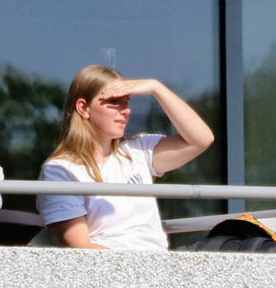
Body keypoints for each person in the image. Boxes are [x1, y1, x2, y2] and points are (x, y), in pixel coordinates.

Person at [39, 65, 213, 250]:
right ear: (83, 108)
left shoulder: (138, 150)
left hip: (160, 261)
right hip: (115, 266)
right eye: (114, 102)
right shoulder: (61, 171)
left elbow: (201, 140)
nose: (126, 110)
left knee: (233, 242)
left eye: (127, 102)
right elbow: (82, 249)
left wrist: (156, 87)